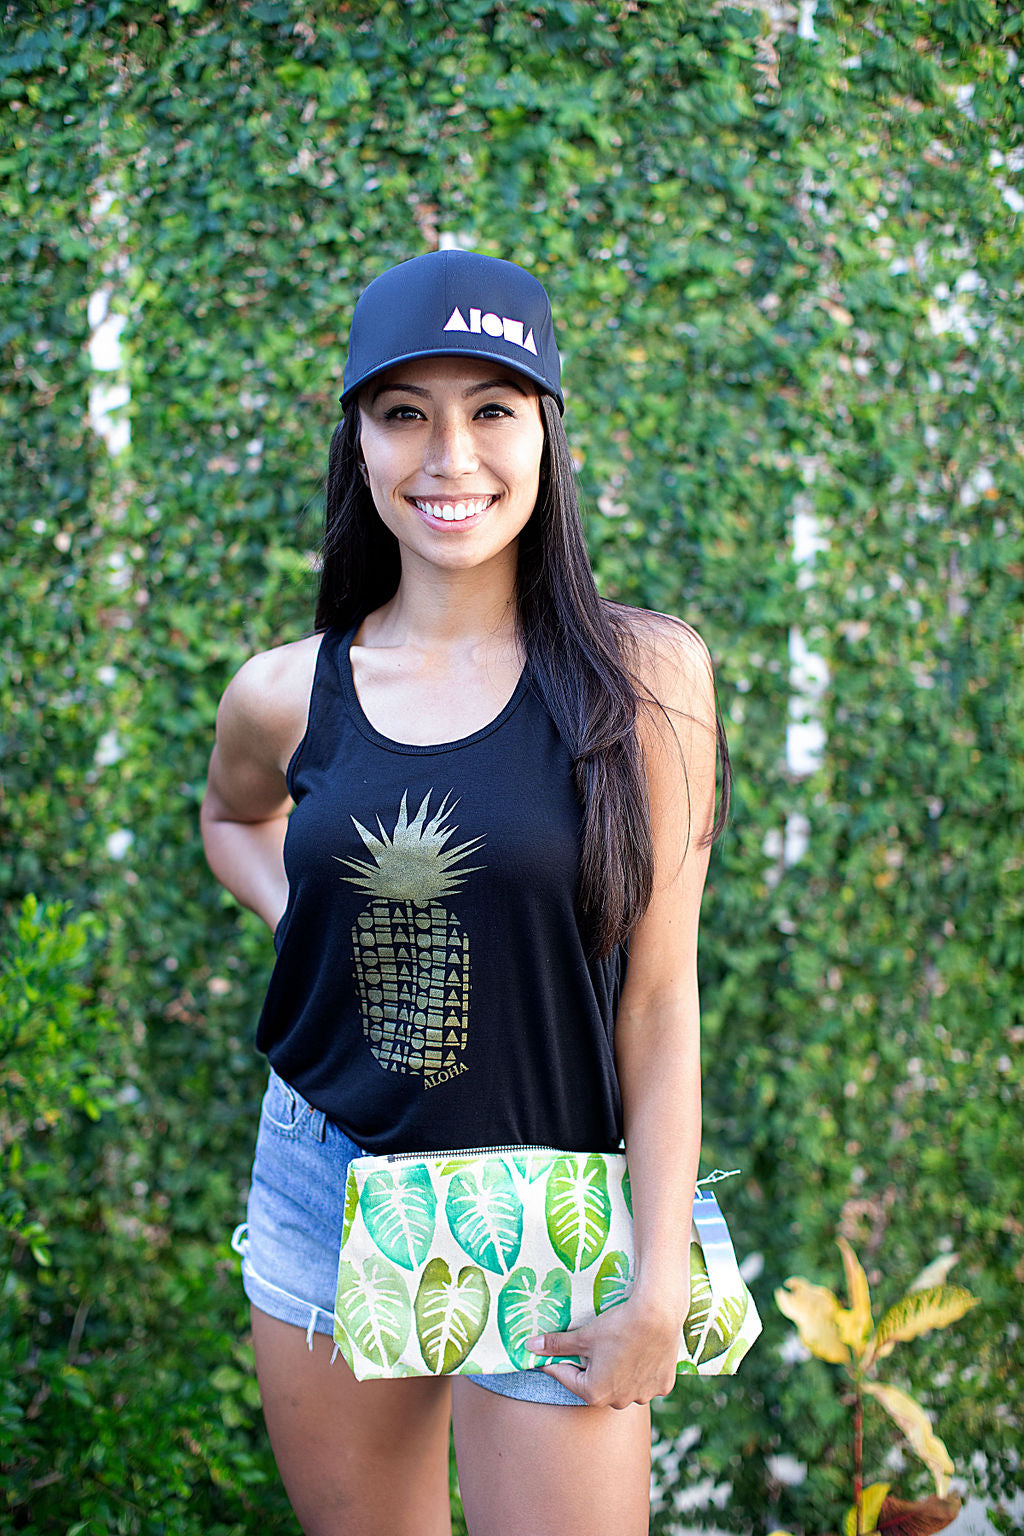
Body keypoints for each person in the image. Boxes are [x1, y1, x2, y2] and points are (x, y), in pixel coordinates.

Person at [200, 249, 730, 1536]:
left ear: (546, 432)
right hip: (327, 1170)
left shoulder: (644, 681)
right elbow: (231, 815)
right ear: (361, 443)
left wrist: (658, 1286)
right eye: (405, 414)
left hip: (549, 1203)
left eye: (491, 408)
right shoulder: (289, 687)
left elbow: (658, 1006)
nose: (451, 456)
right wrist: (310, 923)